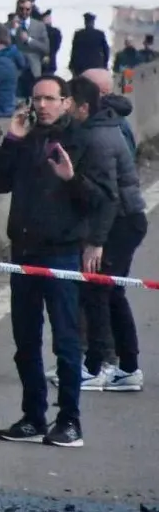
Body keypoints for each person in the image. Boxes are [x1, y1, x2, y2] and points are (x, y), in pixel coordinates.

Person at [0, 76, 114, 449]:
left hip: (61, 251)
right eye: (37, 98)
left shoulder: (83, 140)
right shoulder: (25, 139)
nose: (42, 105)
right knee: (25, 341)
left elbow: (104, 200)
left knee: (65, 340)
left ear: (65, 102)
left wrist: (72, 180)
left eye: (50, 99)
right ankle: (33, 416)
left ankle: (70, 420)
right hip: (23, 251)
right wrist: (11, 138)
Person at [70, 73, 144, 392]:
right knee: (110, 292)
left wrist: (95, 242)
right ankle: (125, 367)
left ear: (84, 105)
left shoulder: (99, 137)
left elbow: (109, 197)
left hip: (120, 222)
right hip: (122, 219)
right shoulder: (102, 126)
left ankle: (99, 366)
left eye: (65, 101)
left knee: (100, 291)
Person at [6, 0, 51, 78]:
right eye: (21, 9)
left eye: (27, 9)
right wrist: (13, 31)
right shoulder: (7, 27)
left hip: (33, 71)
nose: (24, 12)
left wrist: (29, 40)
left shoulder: (39, 26)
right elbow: (3, 48)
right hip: (14, 71)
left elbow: (46, 48)